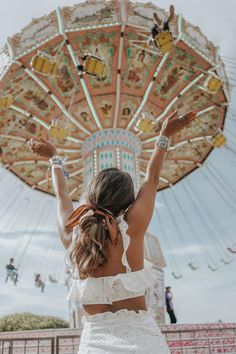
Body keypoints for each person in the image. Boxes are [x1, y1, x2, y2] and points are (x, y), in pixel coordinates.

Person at [28, 110, 196, 353]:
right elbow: (152, 177)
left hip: (95, 343)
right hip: (145, 343)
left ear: (92, 193)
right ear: (129, 201)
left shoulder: (74, 234)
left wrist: (54, 158)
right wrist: (163, 136)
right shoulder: (133, 226)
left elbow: (62, 195)